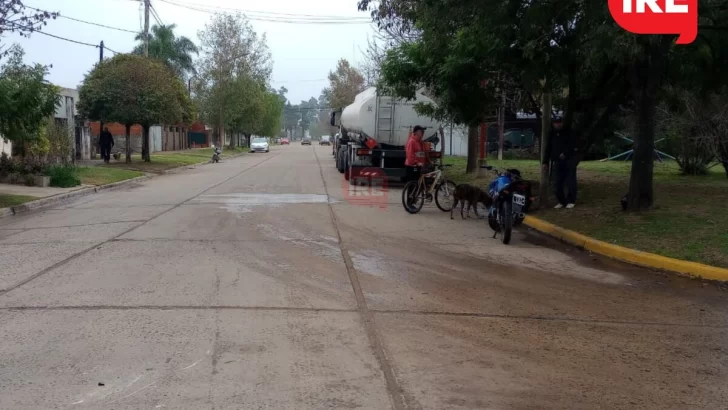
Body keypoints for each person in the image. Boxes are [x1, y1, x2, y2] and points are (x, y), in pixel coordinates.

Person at [542, 117, 578, 209]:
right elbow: (548, 148)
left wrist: (565, 153)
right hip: (557, 161)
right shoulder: (551, 133)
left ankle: (571, 200)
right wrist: (545, 162)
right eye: (556, 123)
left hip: (569, 160)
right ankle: (562, 201)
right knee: (557, 182)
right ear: (553, 124)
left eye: (560, 122)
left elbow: (573, 144)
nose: (558, 124)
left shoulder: (569, 132)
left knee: (570, 180)